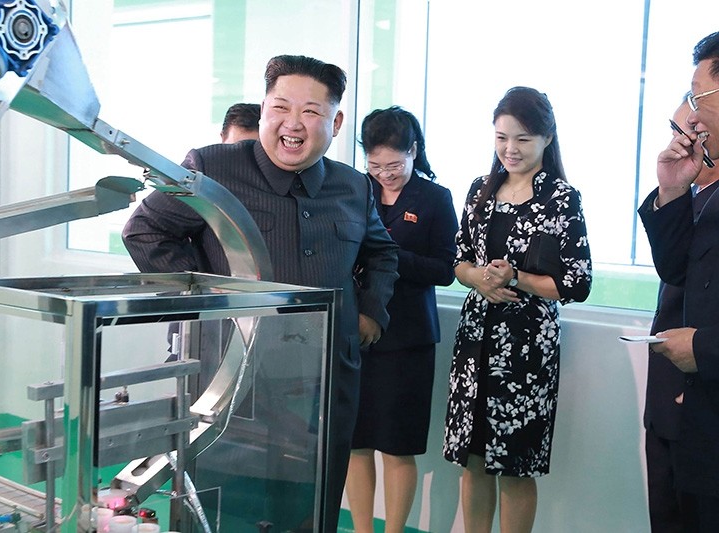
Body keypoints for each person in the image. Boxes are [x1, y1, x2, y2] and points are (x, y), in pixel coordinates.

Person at [122, 54, 399, 530]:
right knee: (227, 507)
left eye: (311, 112)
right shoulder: (212, 167)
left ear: (335, 122)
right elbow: (146, 231)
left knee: (314, 508)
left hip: (325, 385)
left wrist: (370, 312)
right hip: (233, 382)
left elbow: (382, 254)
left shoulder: (353, 186)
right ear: (264, 108)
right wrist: (210, 306)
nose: (294, 124)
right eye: (281, 107)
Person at [442, 87, 592, 533]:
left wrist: (515, 279)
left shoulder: (562, 198)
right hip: (476, 341)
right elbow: (459, 260)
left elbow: (576, 283)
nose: (510, 149)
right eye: (501, 137)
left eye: (523, 139)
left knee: (515, 465)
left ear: (547, 138)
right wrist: (479, 279)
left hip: (527, 351)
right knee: (474, 461)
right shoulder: (480, 192)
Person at [345, 106, 458, 533]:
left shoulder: (435, 198)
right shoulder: (355, 189)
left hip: (408, 337)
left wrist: (389, 256)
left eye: (394, 165)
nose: (385, 174)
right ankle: (360, 529)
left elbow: (445, 269)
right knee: (356, 444)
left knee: (396, 446)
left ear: (414, 151)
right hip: (355, 330)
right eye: (375, 165)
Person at [639, 31, 719, 531]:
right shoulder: (700, 192)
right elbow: (676, 272)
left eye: (696, 94)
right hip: (676, 408)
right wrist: (670, 190)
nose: (690, 117)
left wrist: (707, 350)